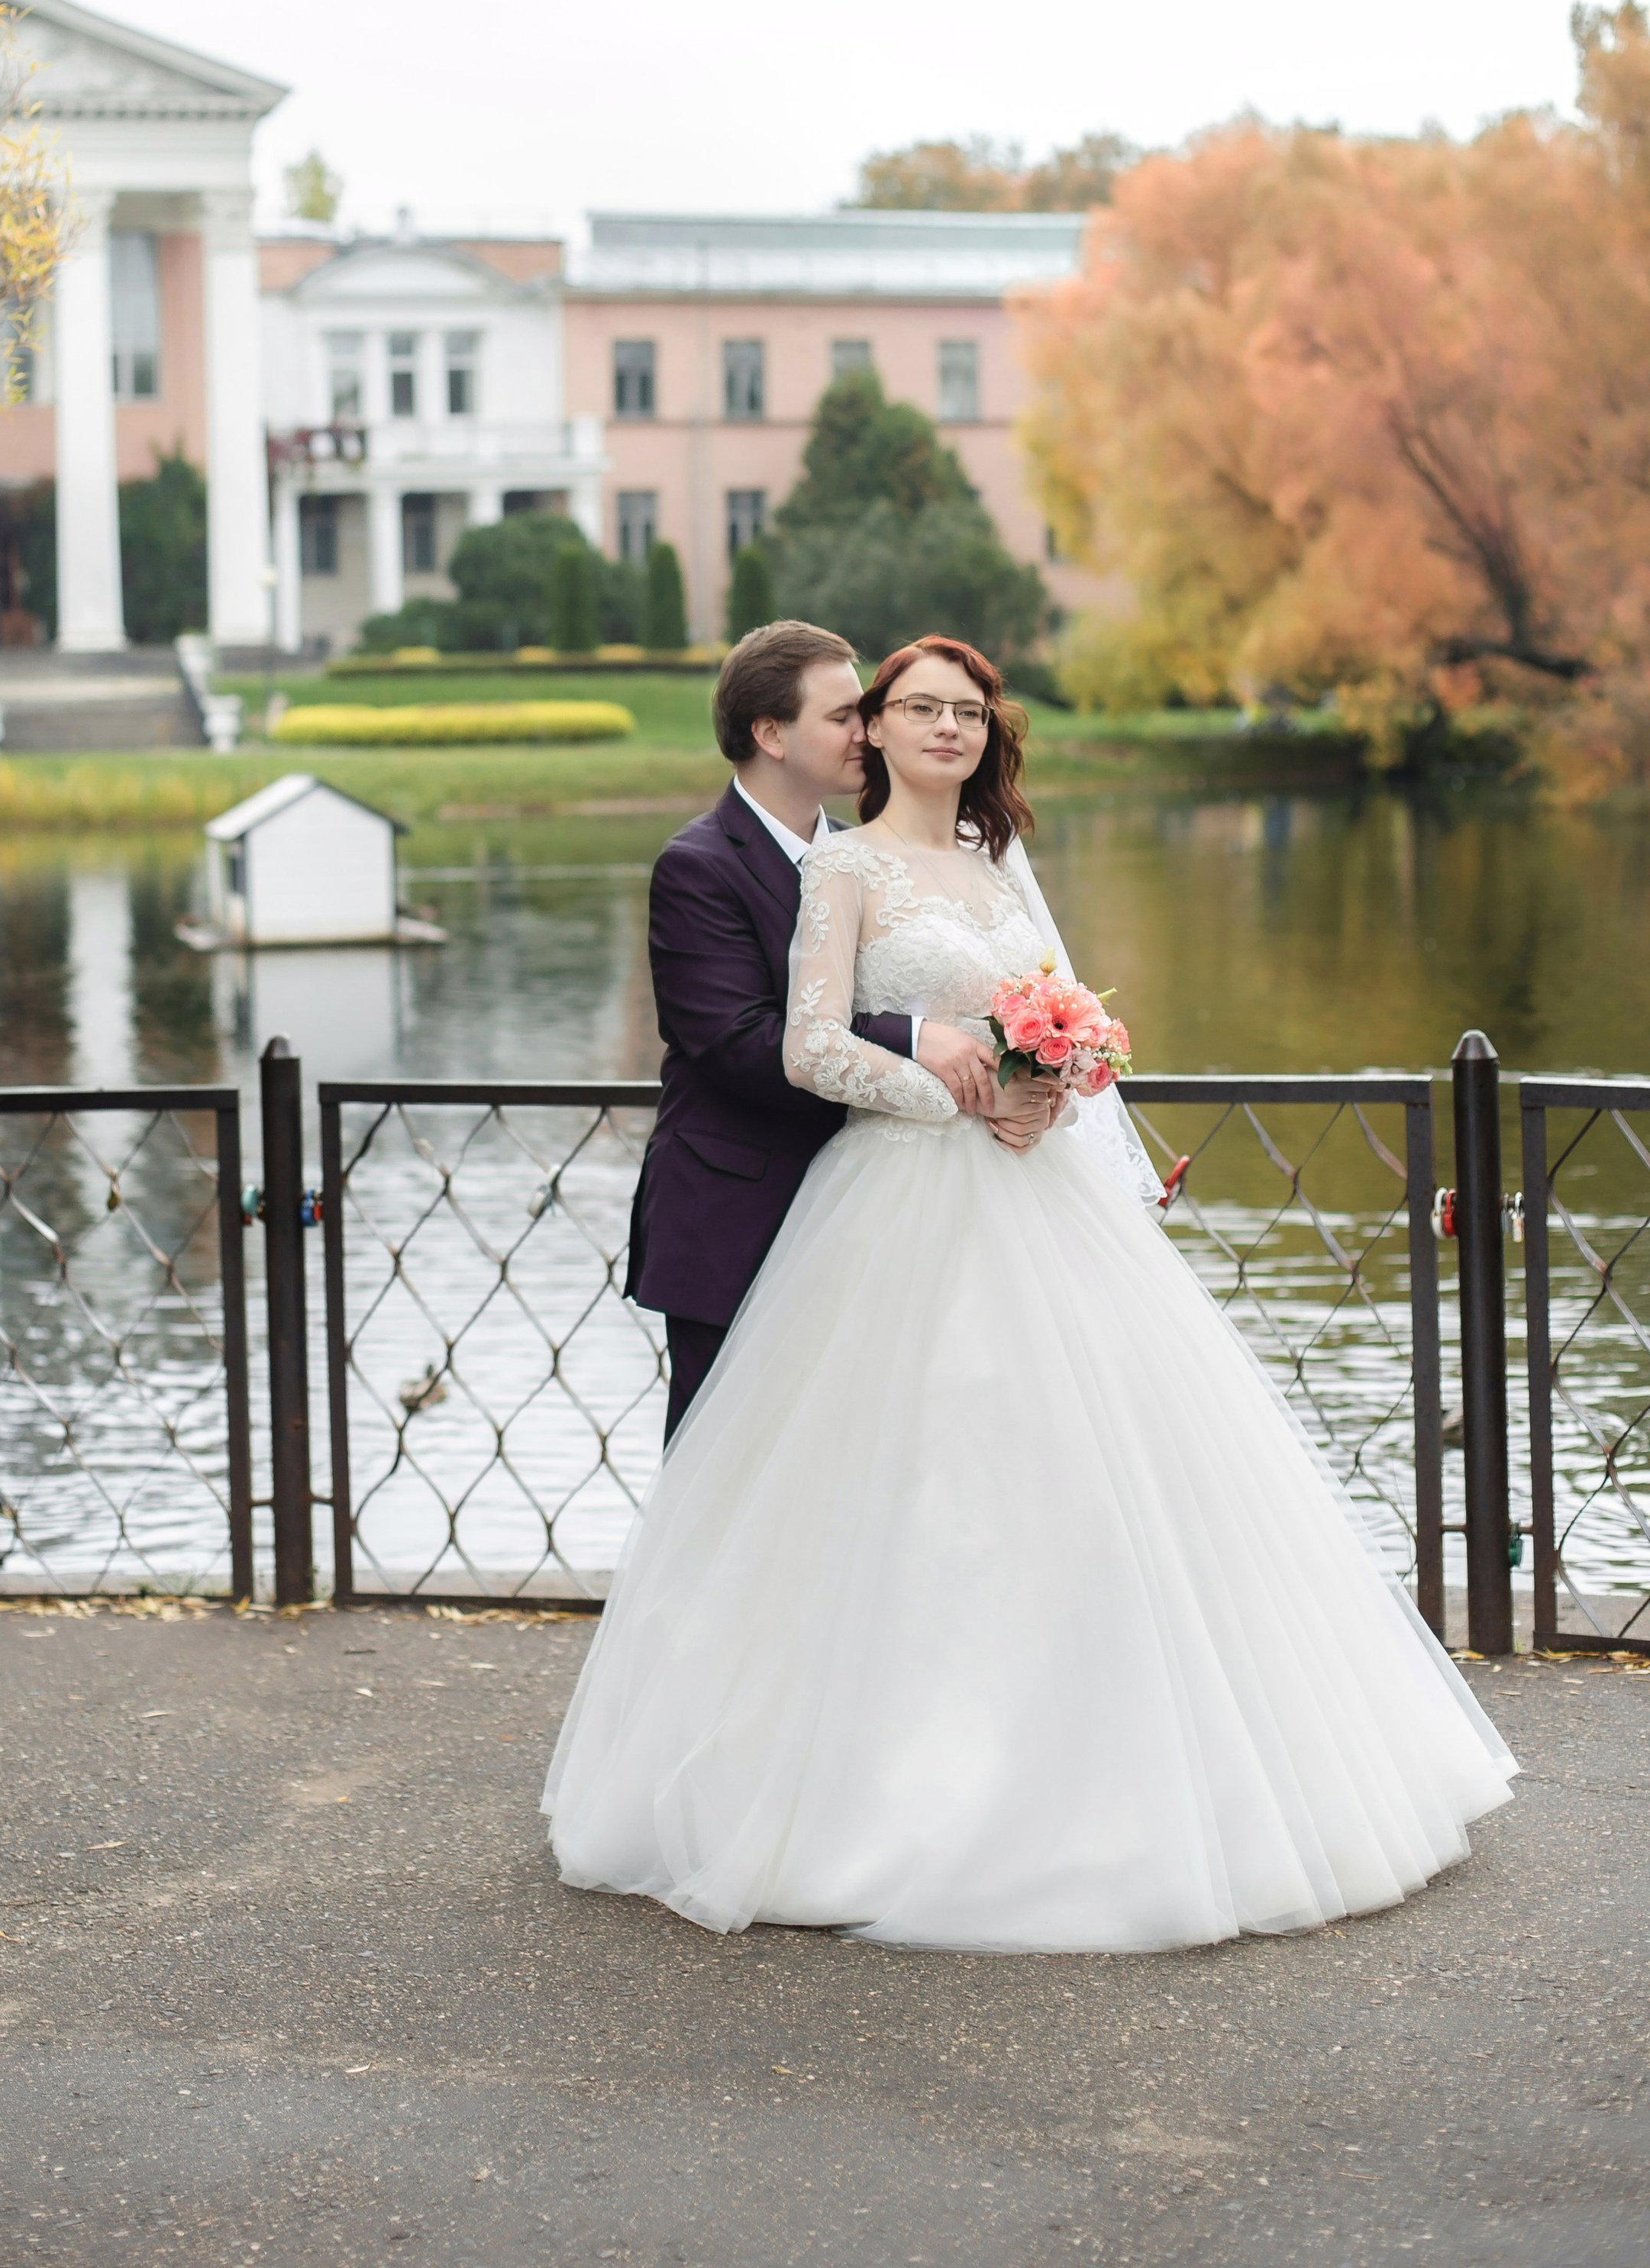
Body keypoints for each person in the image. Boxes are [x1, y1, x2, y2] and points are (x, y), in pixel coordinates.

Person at [548, 634, 1516, 1953]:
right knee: (819, 1501)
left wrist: (1051, 1082)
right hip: (866, 1206)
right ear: (865, 731)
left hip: (1025, 1198)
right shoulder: (821, 863)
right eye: (904, 709)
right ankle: (774, 1771)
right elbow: (784, 1042)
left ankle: (1107, 1766)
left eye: (967, 710)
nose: (938, 727)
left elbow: (1055, 1014)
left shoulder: (1000, 864)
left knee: (1063, 1478)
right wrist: (950, 1082)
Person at [624, 621, 1058, 1439]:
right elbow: (738, 1041)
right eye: (843, 716)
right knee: (731, 1466)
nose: (866, 730)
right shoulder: (699, 865)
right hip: (744, 1209)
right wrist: (911, 1035)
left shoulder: (874, 855)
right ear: (769, 734)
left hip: (903, 1209)